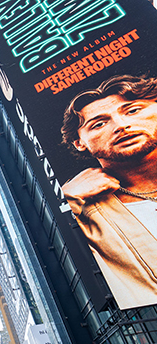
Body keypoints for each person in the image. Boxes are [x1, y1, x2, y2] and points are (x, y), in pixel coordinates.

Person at [60, 75, 157, 309]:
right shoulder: (82, 210)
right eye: (99, 124)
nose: (121, 125)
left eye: (133, 111)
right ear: (79, 143)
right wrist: (67, 199)